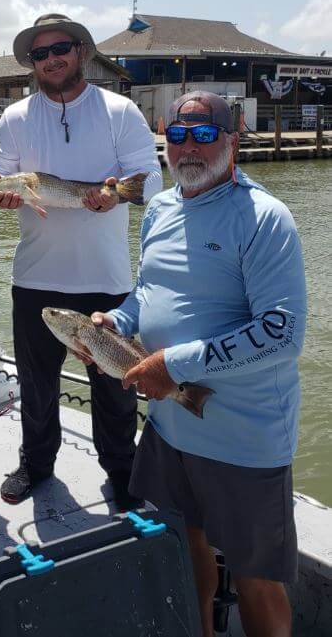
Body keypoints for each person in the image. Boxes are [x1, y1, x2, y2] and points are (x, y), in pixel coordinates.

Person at [94, 91, 306, 637]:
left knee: (259, 579)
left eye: (206, 134)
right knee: (184, 547)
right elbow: (148, 291)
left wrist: (176, 365)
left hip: (244, 438)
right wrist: (117, 323)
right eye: (179, 135)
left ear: (233, 140)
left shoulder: (265, 219)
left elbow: (282, 332)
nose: (190, 147)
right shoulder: (160, 208)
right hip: (168, 425)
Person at [0, 13, 162, 508]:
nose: (51, 59)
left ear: (81, 51)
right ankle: (37, 464)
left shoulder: (120, 110)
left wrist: (116, 196)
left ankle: (123, 470)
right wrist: (1, 197)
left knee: (115, 386)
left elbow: (152, 181)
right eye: (39, 54)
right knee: (36, 383)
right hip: (36, 277)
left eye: (59, 48)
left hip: (107, 280)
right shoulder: (15, 118)